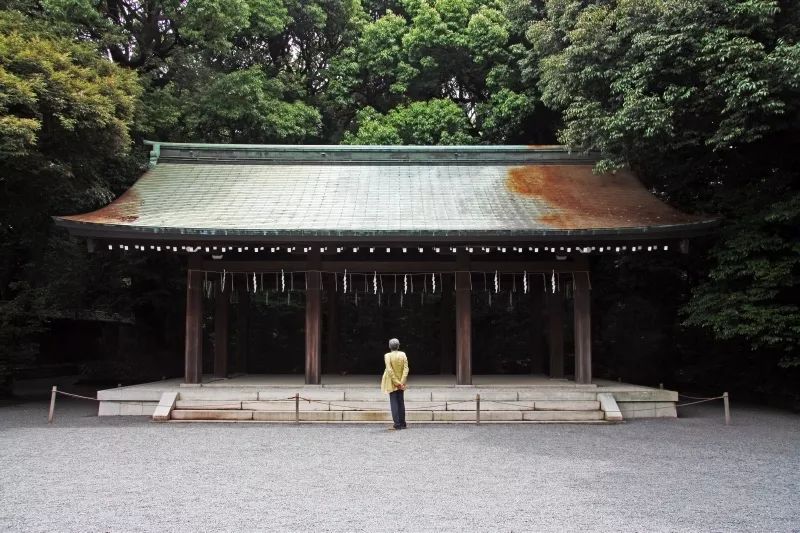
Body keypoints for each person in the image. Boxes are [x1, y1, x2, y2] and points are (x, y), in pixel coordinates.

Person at [381, 338, 409, 430]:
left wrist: (396, 382)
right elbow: (406, 369)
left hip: (392, 382)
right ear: (398, 345)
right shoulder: (403, 354)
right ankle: (403, 423)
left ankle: (397, 424)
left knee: (394, 402)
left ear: (389, 346)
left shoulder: (387, 355)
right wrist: (401, 382)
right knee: (401, 402)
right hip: (401, 381)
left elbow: (389, 370)